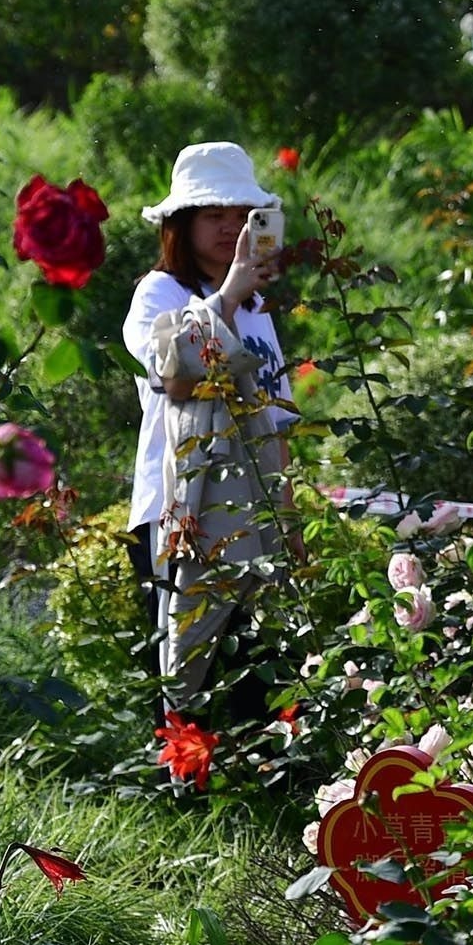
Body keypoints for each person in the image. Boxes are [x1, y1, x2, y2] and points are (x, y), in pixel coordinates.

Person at [123, 143, 295, 706]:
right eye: (213, 215)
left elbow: (277, 420)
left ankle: (254, 789)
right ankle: (181, 790)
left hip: (252, 509)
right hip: (182, 510)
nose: (230, 229)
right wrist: (227, 296)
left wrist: (289, 516)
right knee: (186, 668)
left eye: (241, 216)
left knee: (254, 672)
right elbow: (173, 372)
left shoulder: (256, 310)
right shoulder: (160, 293)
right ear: (182, 223)